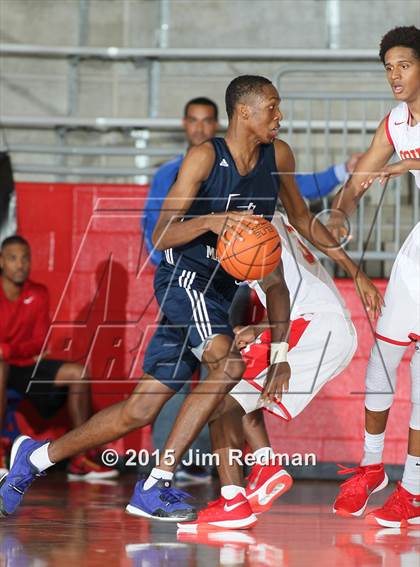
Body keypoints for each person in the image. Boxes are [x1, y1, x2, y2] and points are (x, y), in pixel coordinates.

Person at [0, 75, 381, 523]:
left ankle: (35, 458)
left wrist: (354, 272)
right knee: (228, 366)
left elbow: (301, 220)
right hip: (184, 281)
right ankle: (157, 482)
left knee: (141, 409)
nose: (280, 117)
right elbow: (163, 233)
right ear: (244, 112)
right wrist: (213, 220)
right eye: (272, 108)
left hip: (217, 296)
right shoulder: (205, 157)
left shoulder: (277, 156)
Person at [177, 210, 358, 530]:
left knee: (218, 399)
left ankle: (234, 499)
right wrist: (261, 329)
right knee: (235, 383)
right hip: (322, 323)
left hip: (316, 327)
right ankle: (264, 467)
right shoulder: (269, 215)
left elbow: (283, 292)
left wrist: (279, 355)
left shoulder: (248, 229)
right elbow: (291, 293)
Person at [330, 26, 420, 528]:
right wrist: (342, 209)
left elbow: (405, 164)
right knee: (381, 362)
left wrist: (407, 164)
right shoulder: (396, 122)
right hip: (419, 252)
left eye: (404, 65)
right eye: (388, 67)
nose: (395, 75)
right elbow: (363, 173)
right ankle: (370, 467)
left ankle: (414, 488)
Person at [143, 98, 361, 265]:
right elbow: (156, 223)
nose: (199, 128)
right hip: (186, 267)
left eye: (206, 120)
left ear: (216, 123)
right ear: (184, 124)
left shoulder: (252, 163)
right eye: (193, 120)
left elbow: (300, 188)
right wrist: (164, 260)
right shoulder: (168, 173)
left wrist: (342, 170)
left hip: (237, 264)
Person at [0, 235, 118, 480]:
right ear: (1, 262)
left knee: (78, 373)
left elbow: (39, 341)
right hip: (4, 367)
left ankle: (80, 458)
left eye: (25, 258)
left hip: (24, 365)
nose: (20, 264)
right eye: (13, 258)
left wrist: (9, 350)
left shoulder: (38, 293)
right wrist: (14, 352)